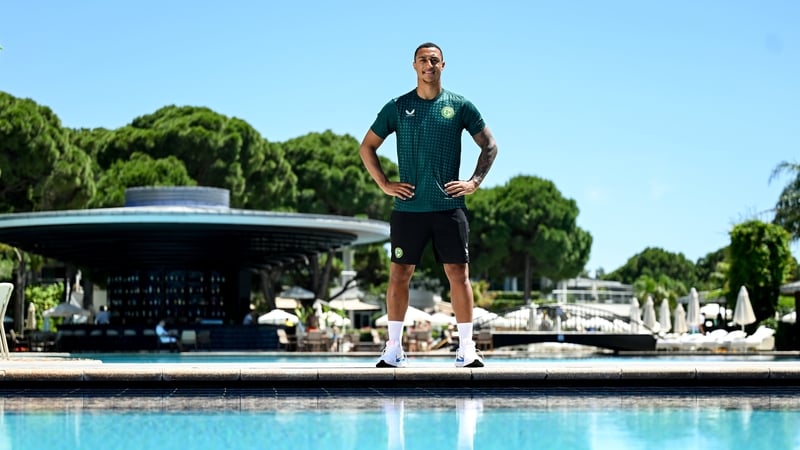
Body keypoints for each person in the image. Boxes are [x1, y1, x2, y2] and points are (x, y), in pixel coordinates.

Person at [359, 42, 498, 368]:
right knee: (399, 276)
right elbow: (367, 147)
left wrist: (474, 182)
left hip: (450, 208)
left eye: (434, 60)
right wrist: (384, 184)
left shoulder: (460, 105)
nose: (429, 65)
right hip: (408, 210)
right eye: (423, 60)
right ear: (414, 65)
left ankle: (466, 349)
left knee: (458, 275)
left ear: (443, 65)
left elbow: (489, 145)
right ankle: (393, 349)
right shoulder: (397, 107)